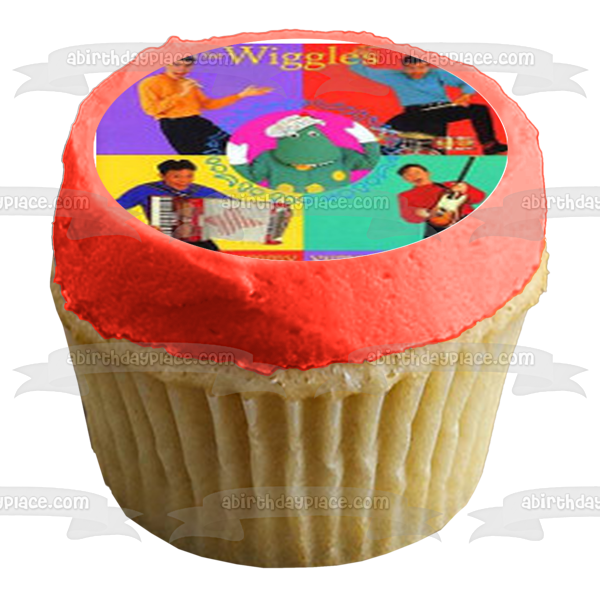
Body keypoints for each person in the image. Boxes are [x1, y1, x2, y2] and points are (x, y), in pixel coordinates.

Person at [350, 50, 508, 155]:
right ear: (404, 68)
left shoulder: (437, 74)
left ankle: (489, 145)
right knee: (430, 145)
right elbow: (359, 69)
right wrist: (357, 54)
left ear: (428, 66)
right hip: (416, 113)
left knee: (479, 110)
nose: (416, 72)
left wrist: (465, 95)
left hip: (442, 109)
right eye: (411, 68)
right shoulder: (394, 76)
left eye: (421, 68)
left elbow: (470, 81)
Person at [138, 56, 273, 155]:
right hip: (176, 126)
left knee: (234, 149)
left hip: (197, 122)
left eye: (187, 65)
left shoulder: (188, 82)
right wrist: (181, 93)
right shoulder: (150, 83)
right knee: (203, 158)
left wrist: (241, 95)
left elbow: (207, 104)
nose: (181, 69)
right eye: (176, 64)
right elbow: (151, 110)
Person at [116, 159, 224, 250]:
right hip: (160, 237)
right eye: (176, 177)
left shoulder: (200, 190)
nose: (184, 181)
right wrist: (141, 228)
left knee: (217, 260)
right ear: (161, 176)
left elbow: (229, 204)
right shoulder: (144, 190)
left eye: (189, 176)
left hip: (195, 237)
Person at [397, 163, 485, 238]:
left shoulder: (451, 185)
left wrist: (465, 189)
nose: (414, 176)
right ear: (405, 180)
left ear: (428, 173)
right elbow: (408, 216)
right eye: (408, 175)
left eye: (417, 172)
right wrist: (421, 212)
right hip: (437, 225)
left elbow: (479, 198)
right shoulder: (405, 195)